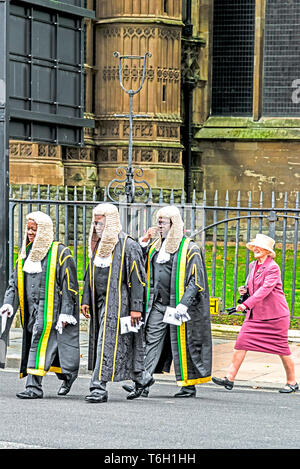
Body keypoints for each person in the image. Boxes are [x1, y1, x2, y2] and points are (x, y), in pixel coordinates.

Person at [123, 205, 212, 399]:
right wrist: (144, 243)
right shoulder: (155, 245)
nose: (159, 225)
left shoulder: (190, 248)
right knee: (150, 341)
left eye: (163, 222)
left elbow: (196, 281)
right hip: (157, 304)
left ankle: (188, 386)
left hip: (178, 306)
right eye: (159, 222)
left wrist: (184, 304)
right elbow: (142, 263)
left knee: (183, 345)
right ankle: (142, 383)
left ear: (174, 223)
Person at [0, 211, 80, 399]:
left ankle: (34, 387)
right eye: (28, 229)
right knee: (54, 348)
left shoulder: (61, 252)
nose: (30, 233)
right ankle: (67, 374)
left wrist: (66, 313)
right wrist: (8, 304)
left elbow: (71, 286)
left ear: (44, 231)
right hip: (30, 309)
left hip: (52, 308)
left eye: (34, 229)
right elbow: (14, 283)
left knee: (39, 341)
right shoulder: (24, 254)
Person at [81, 203, 153, 403]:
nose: (96, 227)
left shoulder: (128, 245)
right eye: (94, 223)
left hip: (120, 303)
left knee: (107, 342)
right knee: (118, 345)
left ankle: (98, 388)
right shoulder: (97, 244)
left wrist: (136, 308)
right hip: (100, 302)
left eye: (100, 223)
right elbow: (90, 273)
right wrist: (86, 298)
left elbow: (139, 278)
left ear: (110, 223)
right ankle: (142, 377)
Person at [212, 233, 298, 393]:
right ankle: (229, 378)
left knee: (282, 349)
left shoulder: (273, 267)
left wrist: (245, 305)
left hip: (275, 316)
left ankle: (292, 382)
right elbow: (255, 288)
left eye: (260, 247)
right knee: (241, 343)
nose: (256, 249)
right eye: (255, 246)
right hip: (256, 315)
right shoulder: (253, 265)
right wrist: (244, 292)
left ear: (267, 251)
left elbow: (265, 290)